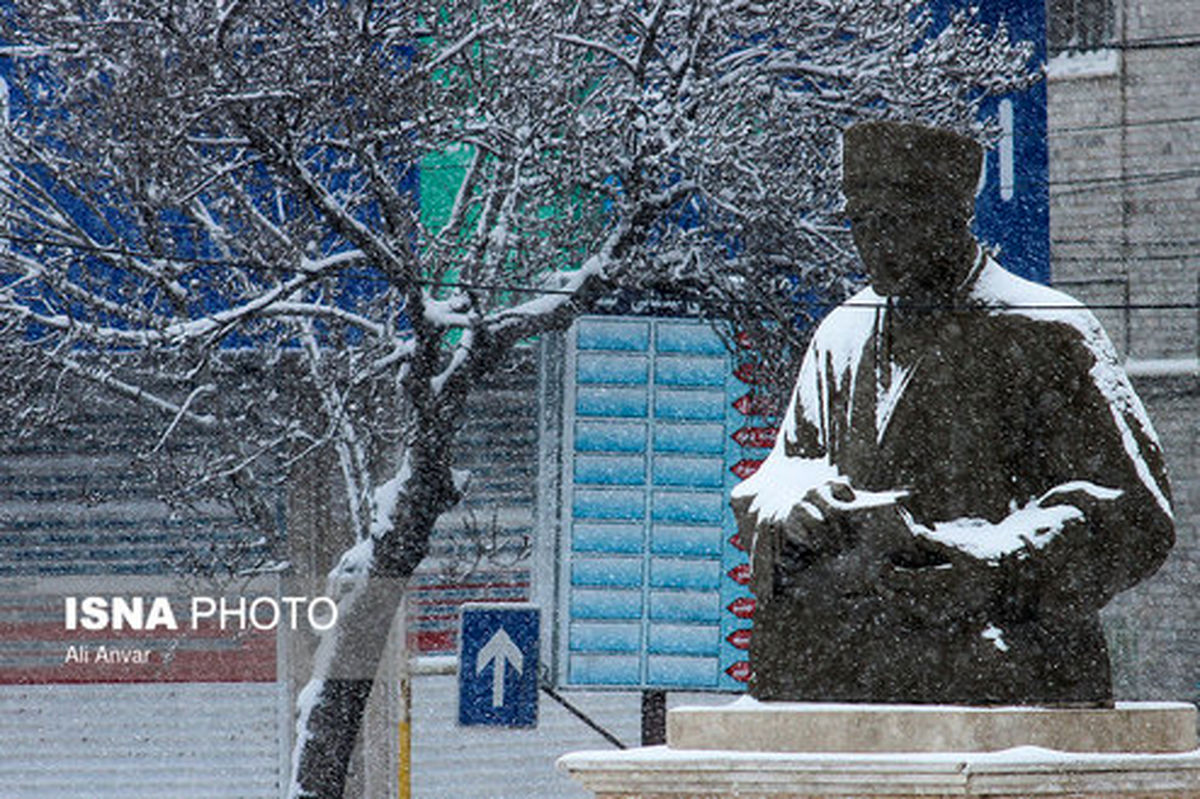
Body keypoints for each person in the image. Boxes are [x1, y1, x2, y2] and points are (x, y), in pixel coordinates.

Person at [730, 120, 1174, 706]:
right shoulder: (842, 333)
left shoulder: (1046, 331)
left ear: (950, 216)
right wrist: (797, 510)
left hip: (1001, 675)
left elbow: (1137, 518)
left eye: (894, 221)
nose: (873, 243)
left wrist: (994, 563)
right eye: (860, 222)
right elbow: (782, 473)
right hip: (849, 676)